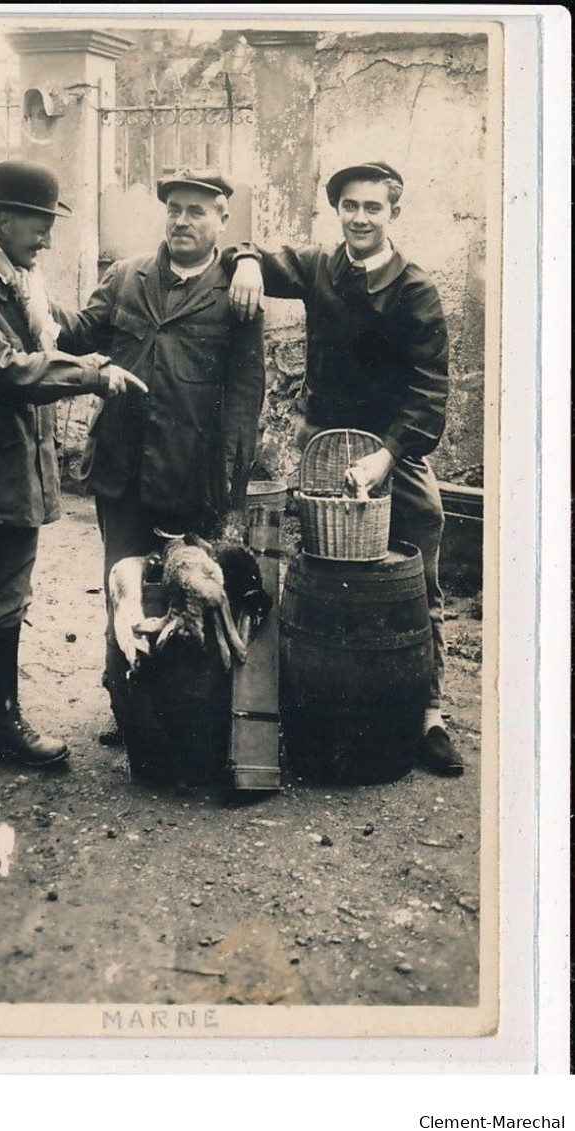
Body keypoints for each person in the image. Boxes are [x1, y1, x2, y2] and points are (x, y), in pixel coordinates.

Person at [0, 159, 147, 816]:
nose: (46, 240)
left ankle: (4, 724)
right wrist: (92, 373)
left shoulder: (22, 282)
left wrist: (129, 287)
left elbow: (60, 332)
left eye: (48, 227)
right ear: (2, 218)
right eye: (38, 227)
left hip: (17, 476)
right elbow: (3, 368)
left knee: (6, 603)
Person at [227, 160, 463, 776]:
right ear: (338, 211)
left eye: (373, 208)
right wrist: (247, 262)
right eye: (349, 206)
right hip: (321, 444)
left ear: (393, 213)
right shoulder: (320, 267)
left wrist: (388, 453)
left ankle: (427, 713)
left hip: (393, 447)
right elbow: (249, 248)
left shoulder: (414, 290)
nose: (360, 217)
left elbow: (429, 388)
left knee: (418, 561)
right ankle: (297, 704)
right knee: (306, 569)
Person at [52, 168, 266, 731]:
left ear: (222, 220)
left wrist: (232, 492)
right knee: (122, 588)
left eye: (197, 210)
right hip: (121, 471)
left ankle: (183, 718)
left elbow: (245, 401)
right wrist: (32, 298)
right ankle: (127, 707)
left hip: (191, 477)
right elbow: (76, 334)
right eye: (174, 208)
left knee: (186, 596)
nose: (182, 220)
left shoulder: (237, 293)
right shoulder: (126, 277)